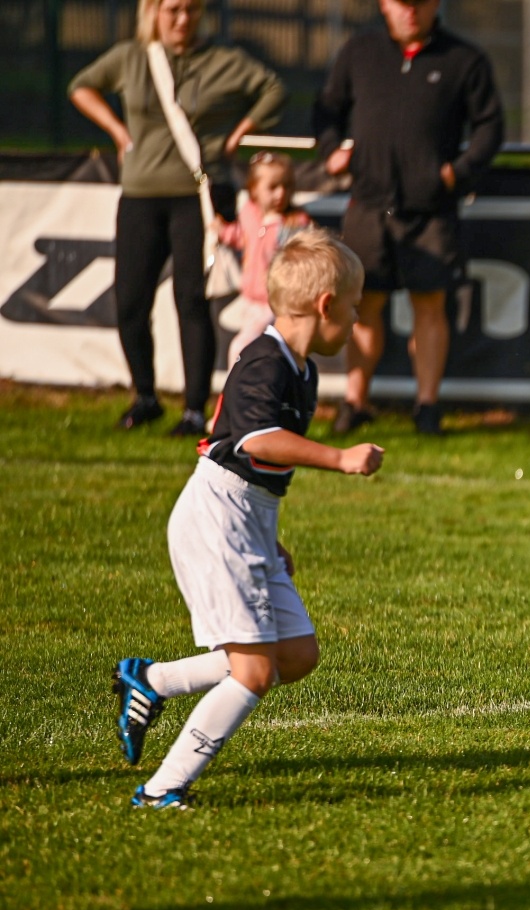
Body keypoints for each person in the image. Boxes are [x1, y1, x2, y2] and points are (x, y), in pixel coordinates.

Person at [111, 231, 384, 808]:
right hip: (217, 517)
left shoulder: (301, 370)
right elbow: (259, 439)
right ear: (327, 305)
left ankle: (153, 681)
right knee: (255, 671)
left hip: (247, 518)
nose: (359, 319)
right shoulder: (265, 359)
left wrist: (269, 533)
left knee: (296, 655)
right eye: (356, 307)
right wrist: (340, 458)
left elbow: (252, 456)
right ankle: (162, 789)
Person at [68, 0, 286, 436]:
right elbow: (81, 86)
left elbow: (273, 89)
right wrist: (117, 131)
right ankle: (145, 397)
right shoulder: (132, 57)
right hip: (140, 195)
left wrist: (238, 134)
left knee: (191, 300)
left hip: (197, 197)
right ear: (152, 11)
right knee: (130, 301)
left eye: (191, 10)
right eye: (173, 10)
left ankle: (192, 409)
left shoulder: (224, 61)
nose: (183, 19)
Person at [314, 0, 505, 436]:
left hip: (431, 209)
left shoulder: (463, 58)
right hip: (367, 203)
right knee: (364, 306)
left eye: (420, 3)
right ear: (384, 6)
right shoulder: (359, 52)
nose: (411, 12)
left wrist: (457, 172)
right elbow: (326, 111)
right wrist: (331, 150)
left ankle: (427, 407)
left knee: (430, 305)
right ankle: (355, 402)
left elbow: (490, 128)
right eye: (402, 3)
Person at [214, 151, 312, 367]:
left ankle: (235, 394)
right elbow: (243, 238)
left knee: (241, 347)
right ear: (254, 190)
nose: (281, 194)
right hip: (249, 299)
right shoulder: (249, 213)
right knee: (261, 352)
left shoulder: (294, 224)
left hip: (273, 303)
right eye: (273, 187)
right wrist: (224, 232)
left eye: (286, 186)